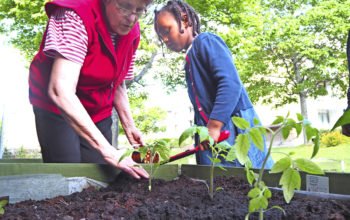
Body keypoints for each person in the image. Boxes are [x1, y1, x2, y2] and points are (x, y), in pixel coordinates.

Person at [29, 0, 151, 179]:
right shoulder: (75, 15)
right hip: (58, 106)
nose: (132, 18)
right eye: (125, 6)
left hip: (98, 108)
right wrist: (108, 150)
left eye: (140, 10)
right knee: (68, 171)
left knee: (100, 172)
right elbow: (60, 90)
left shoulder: (132, 32)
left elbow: (116, 82)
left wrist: (129, 125)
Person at [154, 0, 274, 168]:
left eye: (167, 30)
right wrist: (201, 134)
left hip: (232, 124)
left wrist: (214, 126)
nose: (165, 38)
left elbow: (230, 84)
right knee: (218, 182)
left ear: (185, 20)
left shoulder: (206, 42)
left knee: (248, 176)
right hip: (213, 130)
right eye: (161, 36)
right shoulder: (190, 59)